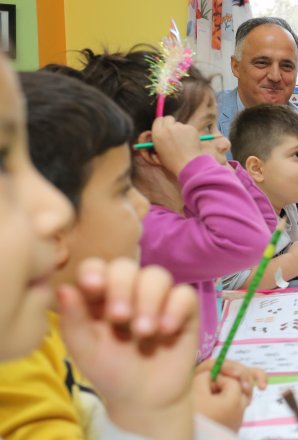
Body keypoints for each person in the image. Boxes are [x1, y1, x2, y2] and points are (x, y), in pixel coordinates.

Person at [0, 71, 261, 438]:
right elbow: (246, 237)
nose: (54, 209)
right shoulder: (20, 364)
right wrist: (180, 420)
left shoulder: (57, 333)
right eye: (121, 189)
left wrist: (163, 398)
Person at [80, 48, 274, 362]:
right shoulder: (144, 230)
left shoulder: (184, 209)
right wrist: (198, 166)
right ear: (154, 150)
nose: (223, 141)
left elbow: (262, 233)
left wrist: (226, 170)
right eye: (207, 128)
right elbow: (248, 243)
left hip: (191, 376)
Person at [217, 17, 298, 256]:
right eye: (262, 63)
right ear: (236, 66)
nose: (274, 76)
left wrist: (291, 256)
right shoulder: (204, 118)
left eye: (286, 66)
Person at [225, 104, 298, 288]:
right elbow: (237, 285)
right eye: (297, 154)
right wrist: (295, 262)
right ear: (257, 168)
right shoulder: (236, 213)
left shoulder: (287, 207)